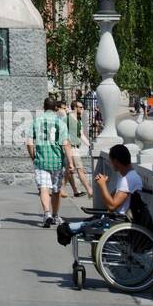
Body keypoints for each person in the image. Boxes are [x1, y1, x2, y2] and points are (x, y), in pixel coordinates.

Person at [26, 95, 72, 227]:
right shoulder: (61, 123)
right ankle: (56, 215)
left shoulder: (36, 121)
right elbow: (65, 144)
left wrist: (34, 157)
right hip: (57, 160)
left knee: (44, 188)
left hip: (41, 160)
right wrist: (70, 162)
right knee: (56, 190)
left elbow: (29, 143)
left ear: (43, 107)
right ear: (56, 108)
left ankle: (47, 213)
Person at [93, 144, 145, 217]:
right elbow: (109, 201)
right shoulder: (126, 177)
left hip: (119, 219)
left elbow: (112, 206)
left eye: (110, 160)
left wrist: (102, 185)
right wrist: (104, 184)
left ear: (115, 161)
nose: (110, 164)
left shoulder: (128, 180)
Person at [62, 100, 90, 197]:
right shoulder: (67, 119)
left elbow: (81, 135)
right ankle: (89, 190)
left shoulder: (78, 120)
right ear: (75, 108)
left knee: (69, 170)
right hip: (71, 147)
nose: (82, 109)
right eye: (80, 107)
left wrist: (89, 144)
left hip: (76, 147)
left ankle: (64, 189)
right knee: (80, 169)